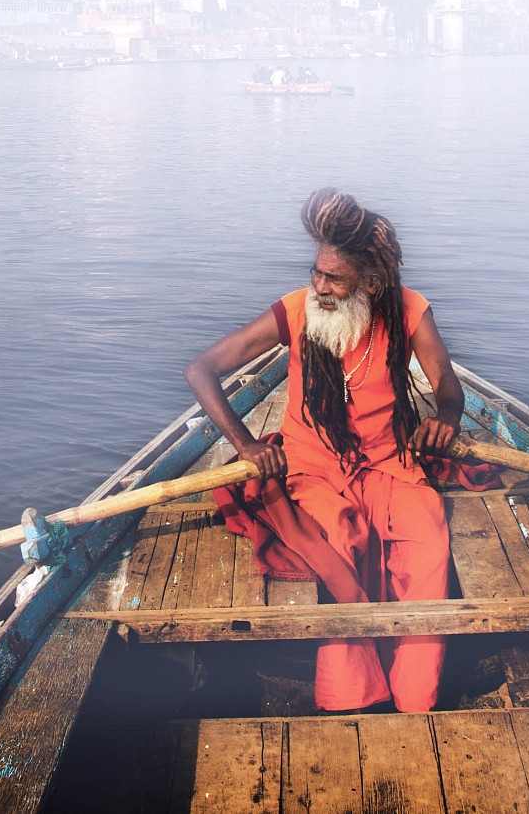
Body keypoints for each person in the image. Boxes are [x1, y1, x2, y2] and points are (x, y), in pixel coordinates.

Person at [183, 188, 492, 713]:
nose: (320, 288)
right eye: (316, 274)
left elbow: (445, 382)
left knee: (429, 545)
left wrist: (446, 416)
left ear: (369, 285)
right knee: (341, 539)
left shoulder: (409, 310)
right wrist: (247, 443)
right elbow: (201, 369)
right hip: (309, 466)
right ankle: (352, 697)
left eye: (335, 280)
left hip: (392, 464)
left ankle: (417, 698)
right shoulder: (295, 311)